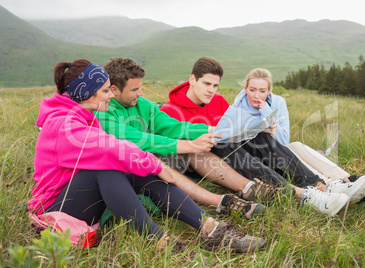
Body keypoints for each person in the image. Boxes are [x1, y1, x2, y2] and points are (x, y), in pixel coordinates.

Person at [27, 58, 266, 254]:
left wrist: (157, 163)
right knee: (108, 167)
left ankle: (211, 228)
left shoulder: (82, 116)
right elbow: (113, 148)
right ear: (87, 94)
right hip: (55, 209)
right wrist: (157, 165)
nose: (109, 96)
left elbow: (169, 129)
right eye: (103, 91)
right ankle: (160, 242)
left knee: (132, 167)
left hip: (81, 197)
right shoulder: (65, 126)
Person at [160, 57, 359, 217]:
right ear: (192, 79)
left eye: (215, 85)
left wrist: (258, 128)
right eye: (206, 84)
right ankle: (304, 196)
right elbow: (175, 145)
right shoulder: (170, 110)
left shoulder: (219, 101)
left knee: (259, 137)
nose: (211, 90)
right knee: (223, 145)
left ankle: (320, 187)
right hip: (210, 159)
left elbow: (235, 126)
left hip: (235, 148)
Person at [232, 68, 365, 202]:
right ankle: (331, 187)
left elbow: (283, 141)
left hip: (279, 151)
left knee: (296, 145)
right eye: (252, 90)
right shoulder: (237, 107)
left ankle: (348, 180)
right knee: (282, 146)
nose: (257, 96)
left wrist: (266, 111)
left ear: (269, 90)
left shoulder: (278, 102)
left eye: (262, 91)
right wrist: (261, 129)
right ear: (245, 88)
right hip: (260, 158)